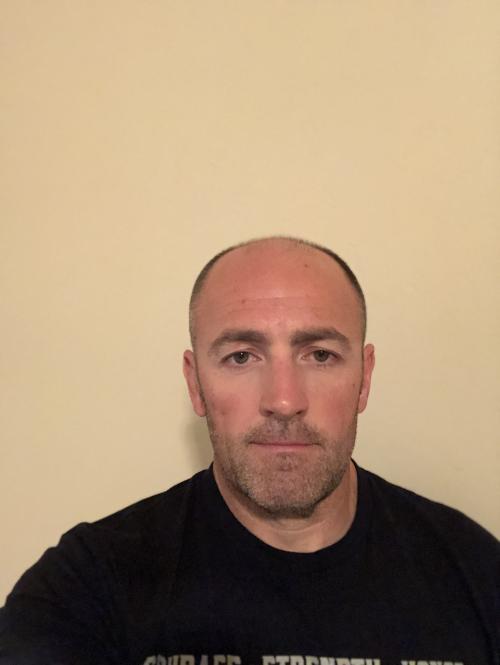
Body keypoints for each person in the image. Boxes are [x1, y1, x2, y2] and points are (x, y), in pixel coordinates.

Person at [0, 236, 498, 665]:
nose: (283, 400)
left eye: (320, 355)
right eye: (241, 356)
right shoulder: (88, 588)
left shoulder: (476, 572)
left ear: (364, 379)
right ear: (195, 384)